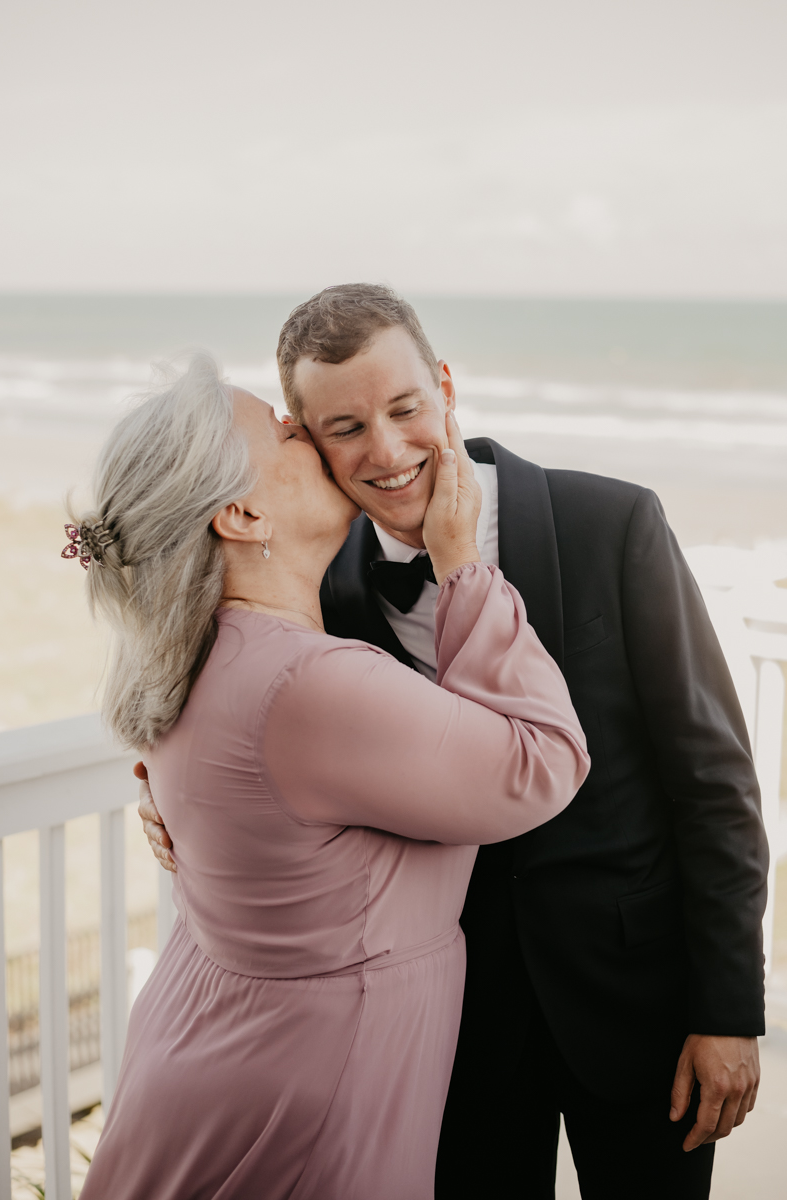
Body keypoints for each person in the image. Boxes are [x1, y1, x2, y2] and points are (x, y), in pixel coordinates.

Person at [139, 285, 770, 1200]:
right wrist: (165, 805)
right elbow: (245, 718)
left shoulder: (615, 523)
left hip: (640, 1010)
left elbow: (716, 782)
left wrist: (727, 1011)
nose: (387, 452)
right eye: (345, 428)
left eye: (404, 409)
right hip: (454, 1036)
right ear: (310, 445)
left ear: (442, 387)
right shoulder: (325, 597)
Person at [75, 354, 588, 1200]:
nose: (311, 434)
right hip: (307, 1080)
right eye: (286, 432)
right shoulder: (308, 682)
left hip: (213, 1036)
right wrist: (463, 566)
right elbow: (545, 762)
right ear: (240, 513)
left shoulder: (190, 658)